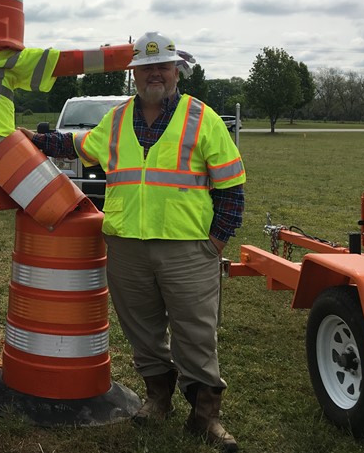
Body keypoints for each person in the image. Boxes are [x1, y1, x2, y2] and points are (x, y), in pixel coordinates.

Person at [20, 31, 245, 452]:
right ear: (134, 75)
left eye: (163, 66)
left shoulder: (202, 118)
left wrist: (215, 242)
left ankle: (205, 417)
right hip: (127, 247)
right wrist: (32, 139)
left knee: (196, 332)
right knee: (142, 330)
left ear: (177, 71)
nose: (154, 74)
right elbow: (78, 145)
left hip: (188, 249)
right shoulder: (118, 119)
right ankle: (158, 399)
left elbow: (232, 187)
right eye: (146, 67)